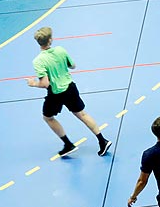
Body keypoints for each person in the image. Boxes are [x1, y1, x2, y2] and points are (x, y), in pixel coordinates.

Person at [27, 26, 111, 159]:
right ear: (50, 40)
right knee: (82, 114)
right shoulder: (60, 50)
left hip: (55, 94)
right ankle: (102, 141)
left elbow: (45, 84)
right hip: (70, 88)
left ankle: (68, 144)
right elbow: (72, 66)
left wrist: (33, 84)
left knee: (48, 117)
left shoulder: (38, 61)